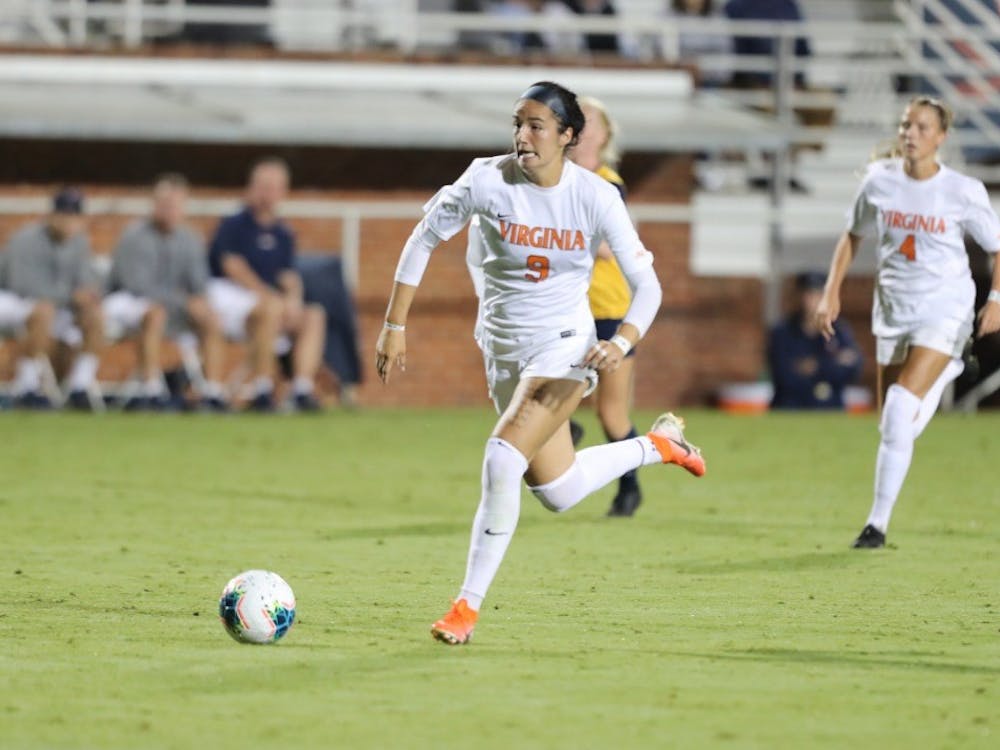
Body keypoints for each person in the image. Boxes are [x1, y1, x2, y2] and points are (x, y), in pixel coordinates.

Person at [376, 81, 706, 646]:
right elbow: (423, 237)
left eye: (536, 126)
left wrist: (621, 342)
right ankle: (660, 446)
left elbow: (647, 286)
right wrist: (393, 324)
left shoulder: (596, 196)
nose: (522, 137)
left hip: (565, 348)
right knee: (558, 491)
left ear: (568, 137)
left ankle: (464, 608)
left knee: (502, 459)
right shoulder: (486, 178)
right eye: (517, 124)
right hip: (504, 353)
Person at [816, 96, 1000, 549]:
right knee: (892, 424)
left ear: (941, 137)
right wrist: (830, 290)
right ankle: (950, 373)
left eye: (921, 127)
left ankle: (876, 525)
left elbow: (997, 248)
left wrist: (995, 298)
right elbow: (851, 235)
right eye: (905, 125)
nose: (910, 134)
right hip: (893, 312)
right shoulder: (880, 182)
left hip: (946, 310)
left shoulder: (963, 191)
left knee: (899, 408)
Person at [564, 96, 646, 517]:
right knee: (540, 390)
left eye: (589, 120)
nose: (580, 126)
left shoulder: (606, 183)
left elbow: (607, 247)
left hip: (608, 310)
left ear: (604, 134)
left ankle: (630, 486)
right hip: (566, 311)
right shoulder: (553, 178)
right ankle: (559, 429)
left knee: (611, 412)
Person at [207, 156, 325, 412]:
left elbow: (287, 276)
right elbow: (232, 266)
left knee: (313, 316)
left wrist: (293, 299)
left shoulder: (283, 233)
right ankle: (262, 388)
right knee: (269, 308)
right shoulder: (234, 224)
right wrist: (266, 295)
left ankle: (301, 389)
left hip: (270, 301)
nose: (268, 194)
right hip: (232, 297)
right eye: (264, 186)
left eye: (275, 187)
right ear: (252, 187)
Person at [104, 173, 228, 411]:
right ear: (154, 205)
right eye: (164, 204)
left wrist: (200, 303)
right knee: (154, 313)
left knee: (210, 316)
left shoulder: (190, 239)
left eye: (175, 205)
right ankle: (151, 389)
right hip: (126, 303)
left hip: (174, 307)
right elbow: (136, 286)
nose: (169, 210)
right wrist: (184, 301)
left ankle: (211, 391)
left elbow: (199, 284)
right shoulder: (134, 236)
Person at [0, 187, 102, 409]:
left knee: (94, 315)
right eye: (64, 215)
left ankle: (79, 386)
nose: (68, 222)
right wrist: (70, 296)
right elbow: (22, 285)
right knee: (43, 311)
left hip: (57, 307)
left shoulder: (79, 242)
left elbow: (87, 280)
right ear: (52, 215)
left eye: (74, 216)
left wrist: (87, 294)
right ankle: (27, 386)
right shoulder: (25, 239)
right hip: (12, 300)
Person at [768, 270, 861, 410]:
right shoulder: (782, 332)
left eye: (817, 295)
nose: (810, 301)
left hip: (830, 408)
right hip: (791, 407)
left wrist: (815, 366)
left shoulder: (839, 331)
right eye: (807, 294)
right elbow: (784, 375)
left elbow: (853, 369)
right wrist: (833, 363)